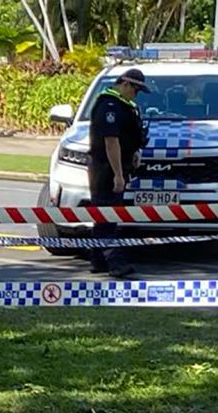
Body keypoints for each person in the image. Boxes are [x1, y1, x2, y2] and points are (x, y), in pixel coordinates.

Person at [86, 67, 149, 278]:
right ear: (126, 84)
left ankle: (98, 260)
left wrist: (135, 151)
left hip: (115, 167)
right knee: (107, 216)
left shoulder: (124, 105)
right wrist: (118, 175)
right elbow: (111, 142)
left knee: (104, 216)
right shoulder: (109, 105)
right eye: (136, 90)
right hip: (106, 170)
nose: (136, 95)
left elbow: (127, 137)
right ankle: (116, 262)